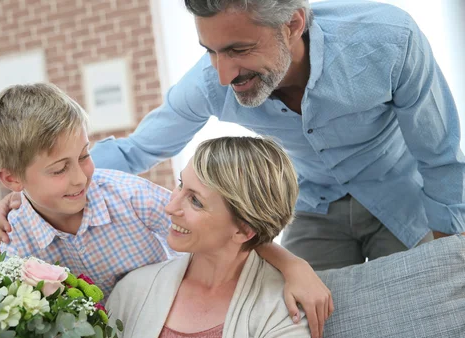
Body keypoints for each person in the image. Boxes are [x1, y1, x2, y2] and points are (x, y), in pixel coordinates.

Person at [82, 0, 464, 270]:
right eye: (211, 52)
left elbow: (440, 155)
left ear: (293, 24)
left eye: (239, 49)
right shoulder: (207, 84)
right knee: (305, 326)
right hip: (314, 203)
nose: (223, 75)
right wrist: (50, 177)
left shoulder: (388, 40)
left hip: (402, 197)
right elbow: (137, 151)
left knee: (421, 318)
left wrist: (449, 255)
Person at [0, 82, 332, 338]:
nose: (79, 177)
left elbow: (219, 228)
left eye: (85, 156)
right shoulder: (16, 238)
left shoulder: (124, 193)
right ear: (12, 179)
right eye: (60, 169)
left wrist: (292, 264)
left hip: (169, 326)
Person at [0, 136, 316, 338]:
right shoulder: (133, 290)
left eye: (196, 201)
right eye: (179, 185)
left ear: (244, 230)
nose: (170, 206)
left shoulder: (284, 310)